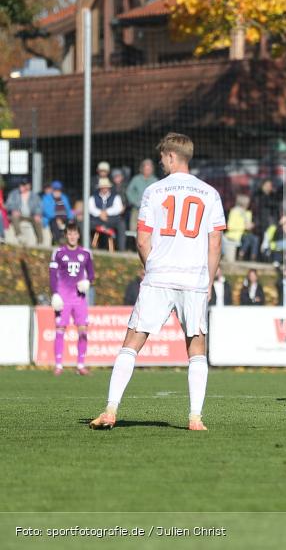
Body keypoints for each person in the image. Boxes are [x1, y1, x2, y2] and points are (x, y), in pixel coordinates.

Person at [89, 132, 225, 432]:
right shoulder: (210, 193)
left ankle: (110, 410)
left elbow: (141, 240)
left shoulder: (154, 191)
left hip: (160, 276)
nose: (161, 161)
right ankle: (195, 418)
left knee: (132, 342)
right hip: (194, 278)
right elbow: (215, 243)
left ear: (172, 157)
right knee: (196, 347)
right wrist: (209, 280)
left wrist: (150, 266)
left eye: (163, 157)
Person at [49, 221, 95, 376]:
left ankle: (80, 365)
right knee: (60, 330)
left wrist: (87, 282)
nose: (72, 236)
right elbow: (52, 275)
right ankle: (59, 365)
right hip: (63, 296)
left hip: (79, 298)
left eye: (75, 233)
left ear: (79, 235)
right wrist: (55, 293)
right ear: (66, 235)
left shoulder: (86, 253)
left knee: (83, 331)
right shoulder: (58, 253)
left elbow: (92, 274)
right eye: (69, 233)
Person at [88, 177, 125, 250]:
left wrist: (106, 212)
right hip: (97, 220)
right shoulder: (93, 197)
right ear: (100, 187)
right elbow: (90, 208)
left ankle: (121, 249)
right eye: (103, 187)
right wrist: (100, 214)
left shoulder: (115, 196)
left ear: (109, 187)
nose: (104, 188)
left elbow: (118, 208)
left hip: (111, 220)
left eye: (106, 187)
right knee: (85, 224)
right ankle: (88, 247)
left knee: (121, 224)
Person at [7, 180, 43, 245]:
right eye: (21, 185)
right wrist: (14, 210)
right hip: (19, 215)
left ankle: (40, 242)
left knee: (38, 220)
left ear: (28, 186)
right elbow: (8, 204)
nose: (21, 187)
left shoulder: (34, 195)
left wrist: (37, 214)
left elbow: (39, 206)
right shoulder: (14, 194)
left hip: (31, 216)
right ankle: (19, 236)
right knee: (14, 217)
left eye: (24, 185)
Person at [126, 159, 158, 232]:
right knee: (133, 231)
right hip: (137, 209)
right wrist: (136, 202)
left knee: (150, 231)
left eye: (149, 168)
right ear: (142, 169)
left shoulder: (155, 180)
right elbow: (129, 192)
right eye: (146, 168)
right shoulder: (136, 179)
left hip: (151, 211)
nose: (148, 170)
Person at [226, 194, 258, 261]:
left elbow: (248, 225)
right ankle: (241, 255)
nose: (248, 204)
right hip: (235, 234)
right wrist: (244, 227)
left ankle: (253, 258)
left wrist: (251, 225)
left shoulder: (248, 213)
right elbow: (230, 226)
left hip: (244, 233)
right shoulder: (234, 212)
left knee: (255, 239)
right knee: (248, 239)